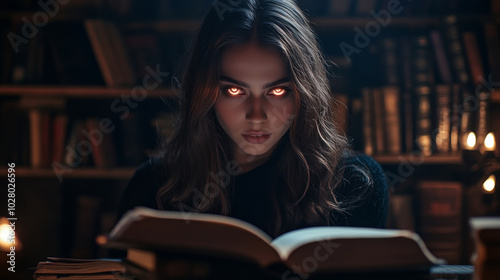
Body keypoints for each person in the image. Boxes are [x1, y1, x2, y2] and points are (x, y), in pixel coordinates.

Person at [117, 0, 388, 239]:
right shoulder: (154, 188)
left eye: (278, 91)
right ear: (203, 92)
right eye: (234, 90)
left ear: (305, 94)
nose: (256, 116)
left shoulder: (356, 185)